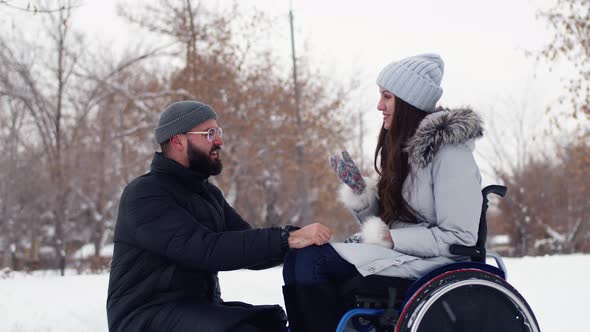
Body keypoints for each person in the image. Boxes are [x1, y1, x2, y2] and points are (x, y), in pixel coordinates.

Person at [282, 53, 484, 331]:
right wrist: (361, 192)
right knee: (298, 256)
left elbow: (460, 238)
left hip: (437, 263)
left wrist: (391, 239)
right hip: (405, 254)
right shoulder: (403, 150)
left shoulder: (451, 154)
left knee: (312, 261)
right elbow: (388, 224)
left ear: (408, 102)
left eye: (387, 97)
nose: (380, 106)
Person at [106, 100, 332, 332]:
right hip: (145, 315)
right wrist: (287, 238)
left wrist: (299, 241)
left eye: (218, 132)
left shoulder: (208, 194)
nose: (219, 141)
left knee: (270, 323)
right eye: (209, 133)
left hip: (194, 309)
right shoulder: (145, 195)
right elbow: (204, 249)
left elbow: (245, 242)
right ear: (178, 141)